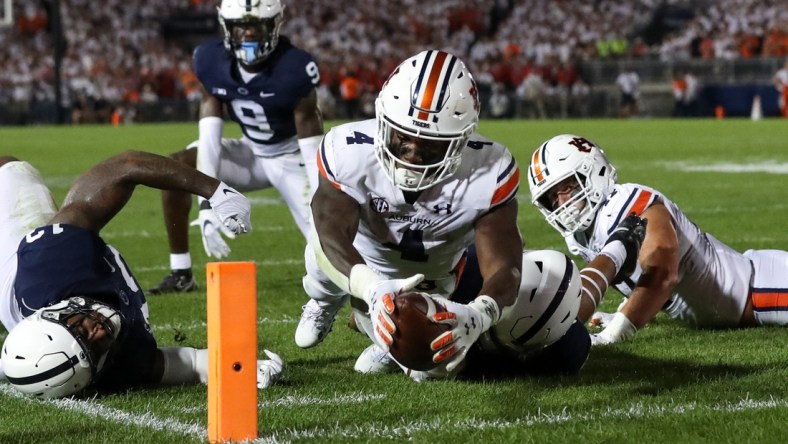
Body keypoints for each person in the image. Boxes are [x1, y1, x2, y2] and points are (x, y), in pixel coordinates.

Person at [293, 50, 642, 380]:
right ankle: (326, 301)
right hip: (367, 265)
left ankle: (387, 340)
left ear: (460, 141)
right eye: (403, 138)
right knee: (319, 255)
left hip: (441, 276)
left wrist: (480, 313)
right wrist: (370, 288)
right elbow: (330, 232)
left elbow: (504, 265)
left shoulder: (488, 169)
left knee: (548, 298)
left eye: (430, 144)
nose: (412, 155)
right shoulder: (349, 149)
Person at [0, 151, 283, 398]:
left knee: (10, 171)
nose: (97, 332)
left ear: (56, 313)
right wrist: (241, 366)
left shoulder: (54, 262)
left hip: (15, 261)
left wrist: (216, 191)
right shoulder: (116, 364)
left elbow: (125, 166)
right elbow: (184, 364)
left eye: (81, 329)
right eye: (92, 348)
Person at [527, 134, 788, 346]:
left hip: (760, 290)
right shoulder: (582, 235)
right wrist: (626, 309)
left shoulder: (628, 204)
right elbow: (650, 284)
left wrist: (619, 328)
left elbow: (663, 271)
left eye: (567, 188)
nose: (561, 203)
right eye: (551, 197)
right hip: (735, 296)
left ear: (592, 173)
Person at [149, 0, 323, 294]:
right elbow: (210, 135)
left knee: (324, 239)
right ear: (227, 27)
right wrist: (206, 204)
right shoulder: (210, 59)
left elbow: (310, 134)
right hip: (251, 153)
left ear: (274, 25)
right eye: (240, 25)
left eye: (255, 25)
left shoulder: (294, 66)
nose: (247, 33)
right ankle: (181, 274)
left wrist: (322, 191)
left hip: (292, 156)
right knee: (177, 167)